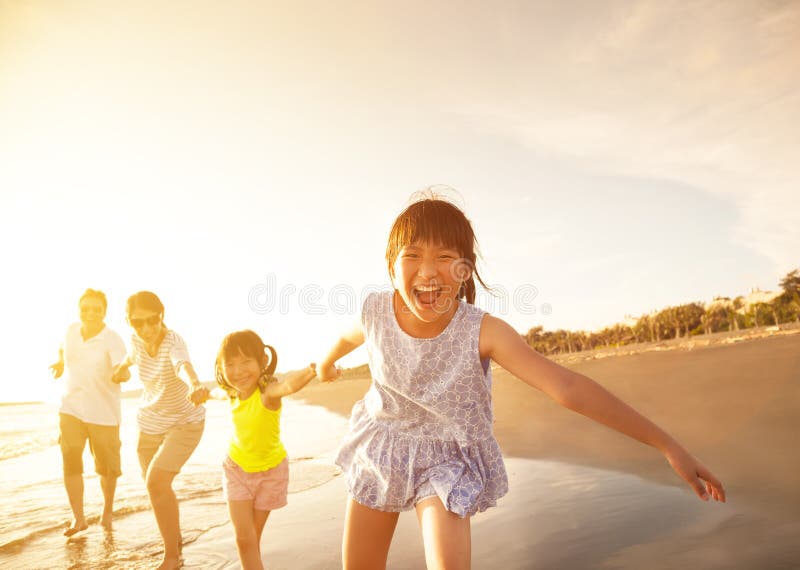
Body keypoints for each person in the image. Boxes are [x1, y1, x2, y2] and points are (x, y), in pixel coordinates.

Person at [318, 196, 726, 570]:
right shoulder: (375, 311)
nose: (428, 271)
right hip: (385, 445)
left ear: (465, 269)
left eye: (445, 257)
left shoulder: (483, 331)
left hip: (447, 459)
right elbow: (344, 339)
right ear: (392, 267)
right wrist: (325, 364)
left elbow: (567, 388)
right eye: (412, 256)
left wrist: (666, 444)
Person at [111, 291, 209, 570]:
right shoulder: (136, 340)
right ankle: (175, 539)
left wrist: (193, 384)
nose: (145, 328)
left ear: (161, 316)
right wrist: (119, 370)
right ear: (129, 322)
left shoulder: (173, 342)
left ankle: (172, 558)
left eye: (151, 321)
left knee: (156, 482)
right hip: (149, 423)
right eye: (136, 322)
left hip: (184, 422)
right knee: (154, 484)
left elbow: (182, 364)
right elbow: (130, 358)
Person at [212, 330, 317, 570]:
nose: (238, 371)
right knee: (245, 539)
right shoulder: (231, 394)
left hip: (271, 473)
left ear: (262, 362)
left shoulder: (267, 394)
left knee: (251, 538)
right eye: (230, 364)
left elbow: (288, 386)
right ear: (220, 367)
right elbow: (213, 392)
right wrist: (200, 393)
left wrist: (313, 370)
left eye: (246, 361)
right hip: (236, 469)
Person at [50, 288, 127, 536]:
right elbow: (63, 347)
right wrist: (61, 362)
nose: (91, 313)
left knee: (107, 468)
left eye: (96, 308)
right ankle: (79, 519)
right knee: (70, 459)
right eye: (86, 308)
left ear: (105, 311)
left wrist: (121, 374)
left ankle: (107, 512)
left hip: (103, 412)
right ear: (79, 310)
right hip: (70, 408)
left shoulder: (112, 338)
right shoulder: (71, 330)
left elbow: (121, 367)